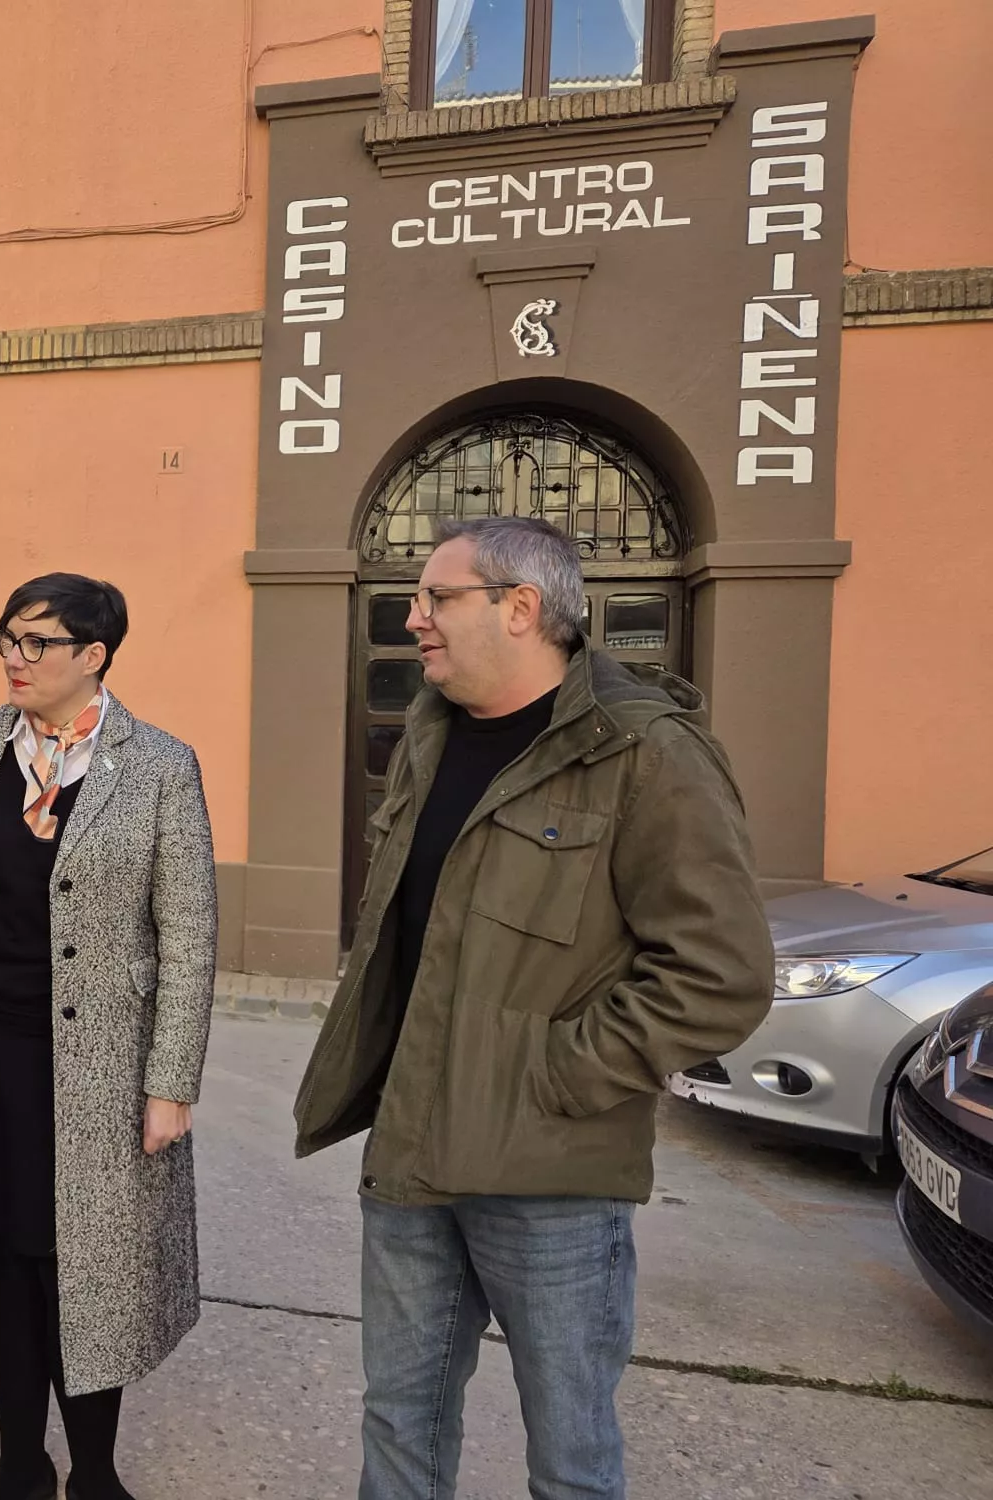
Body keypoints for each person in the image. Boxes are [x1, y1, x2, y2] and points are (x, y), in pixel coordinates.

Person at [292, 516, 775, 1499]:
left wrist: (556, 1075)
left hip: (549, 1173)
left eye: (436, 598)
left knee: (569, 1452)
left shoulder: (645, 754)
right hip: (410, 1152)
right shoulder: (428, 735)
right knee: (400, 1422)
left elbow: (718, 973)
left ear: (520, 608)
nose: (413, 619)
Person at [0, 573, 218, 1500]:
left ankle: (95, 1472)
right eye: (7, 639)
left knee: (84, 1266)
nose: (14, 659)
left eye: (37, 642)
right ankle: (21, 1462)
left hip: (99, 1066)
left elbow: (188, 935)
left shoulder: (160, 765)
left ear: (93, 655)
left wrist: (170, 1081)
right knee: (8, 1256)